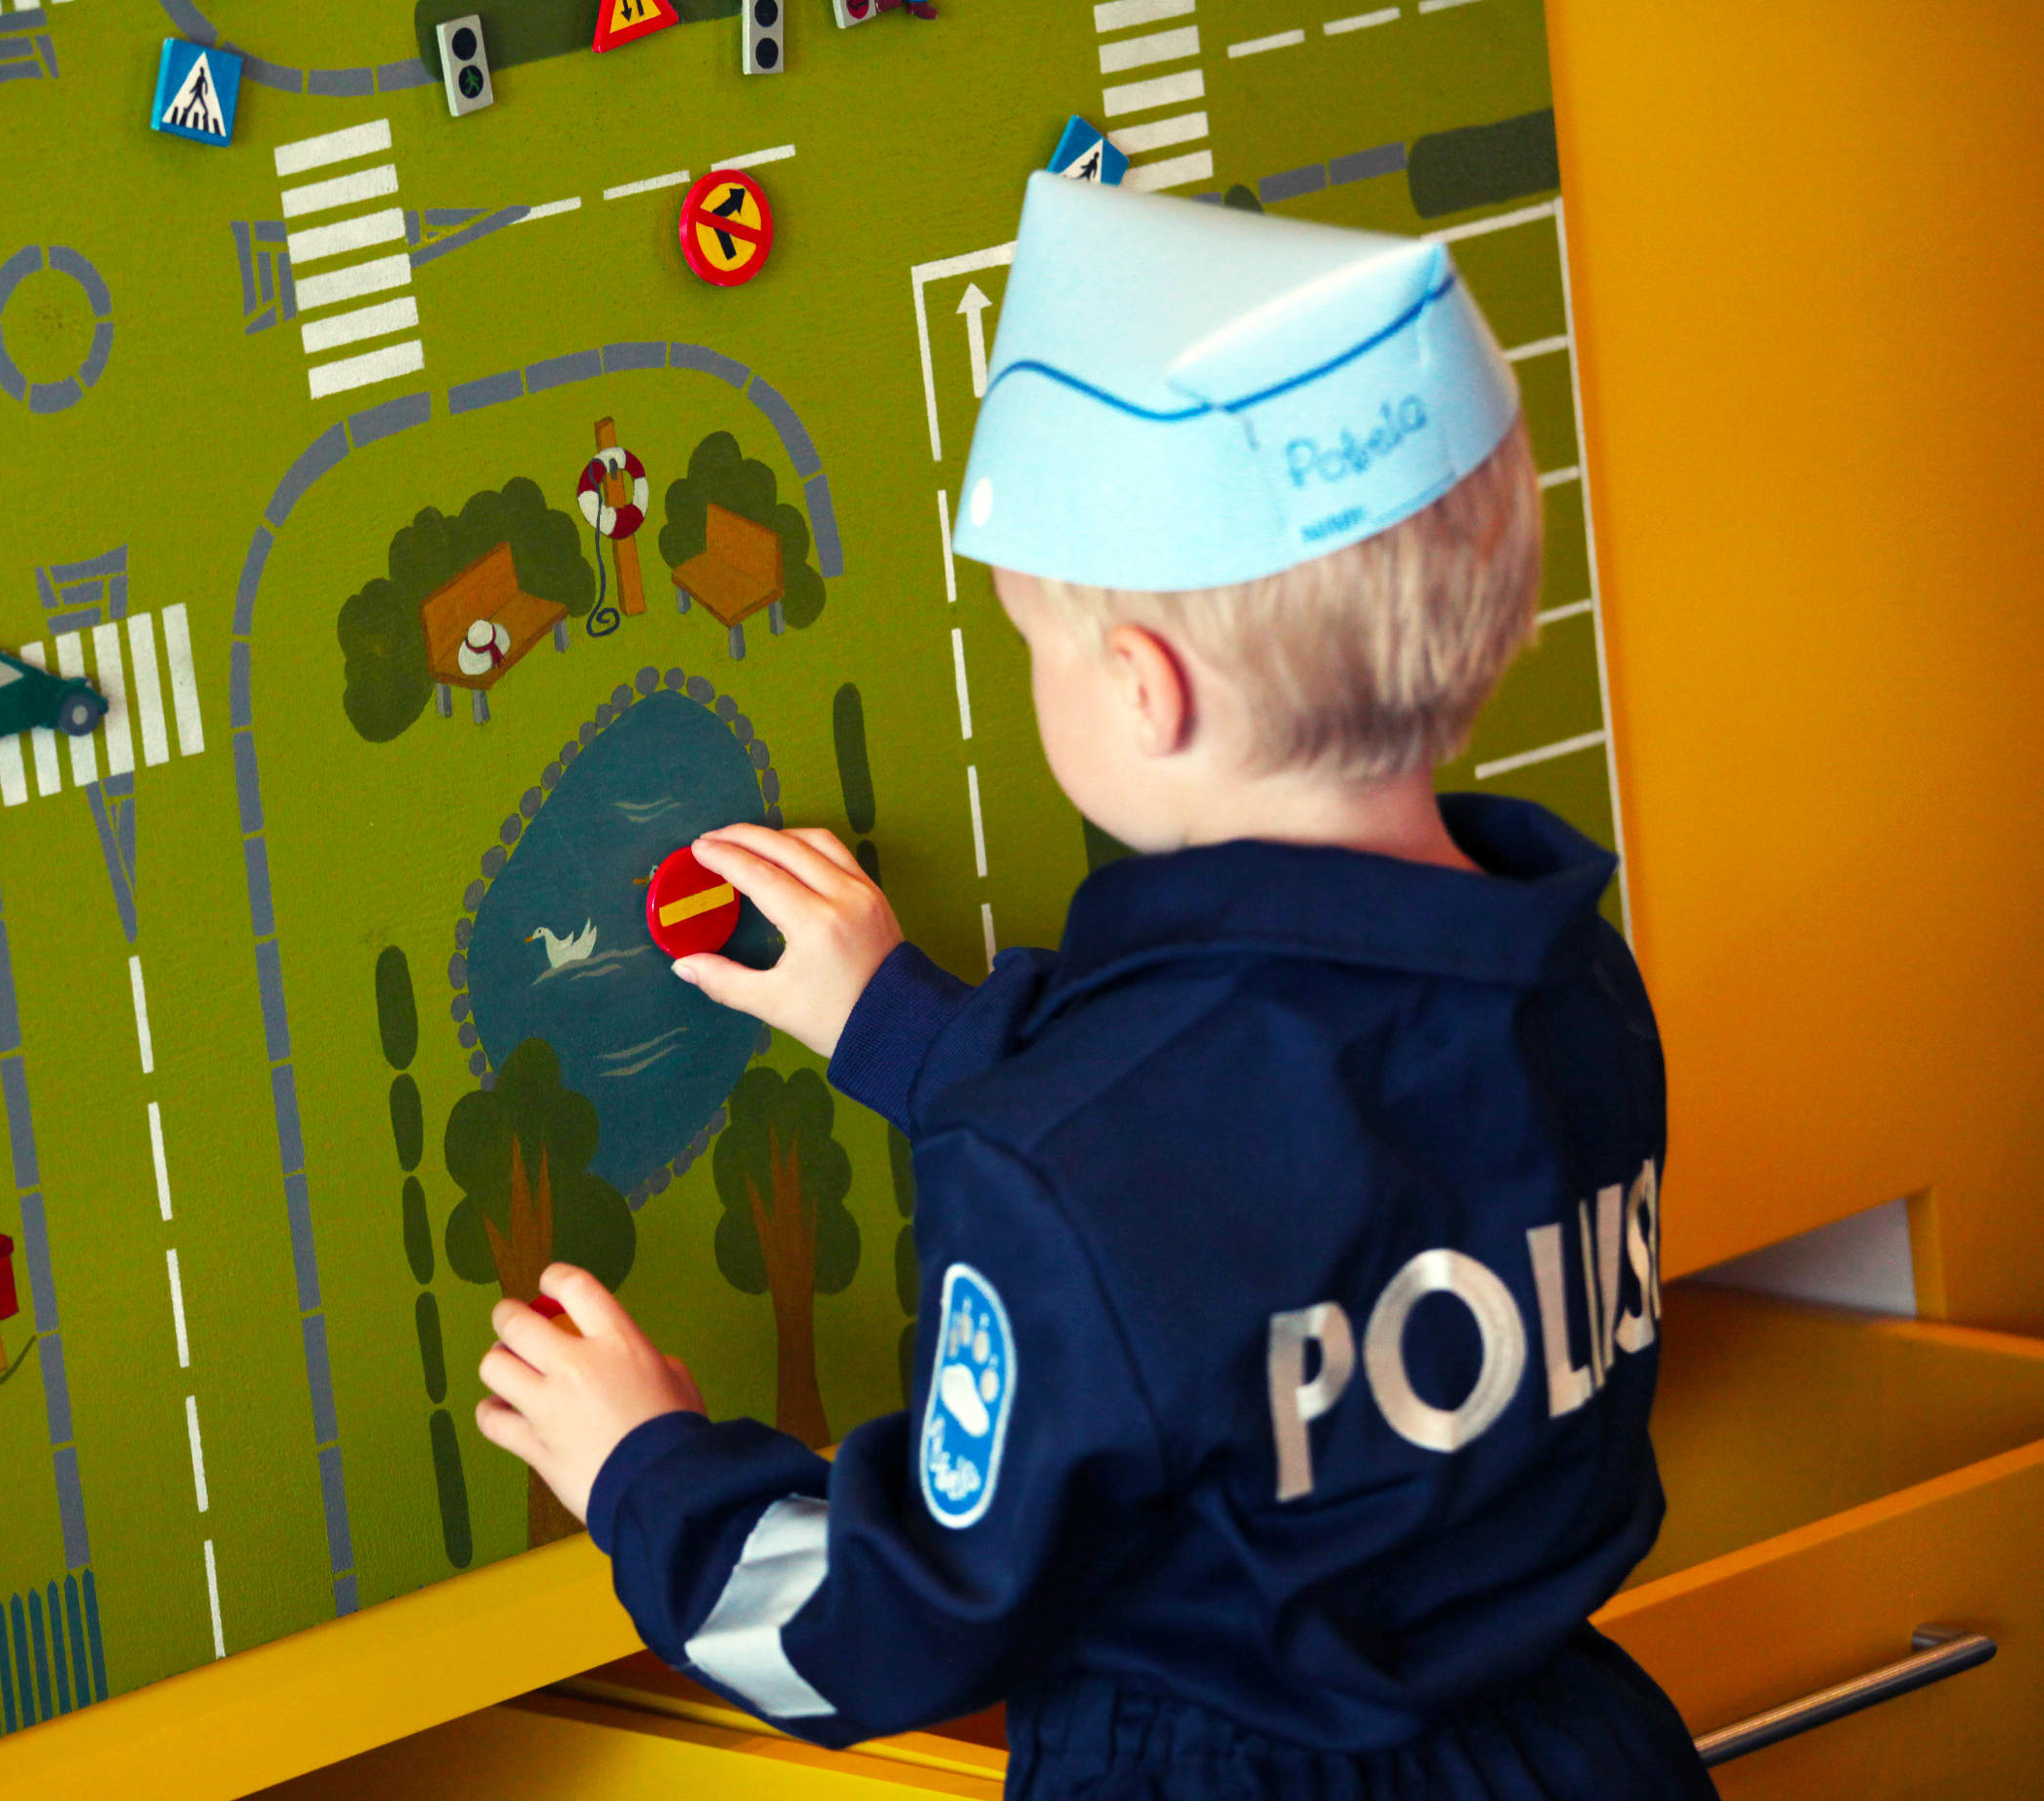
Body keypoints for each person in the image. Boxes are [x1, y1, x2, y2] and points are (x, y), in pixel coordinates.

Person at [473, 175, 1715, 1798]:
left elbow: (882, 1625)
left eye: (1037, 642)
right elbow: (1249, 1171)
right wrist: (903, 1031)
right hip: (1579, 1753)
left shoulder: (1068, 1165)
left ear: (1139, 690)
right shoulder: (1574, 982)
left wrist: (641, 1471)